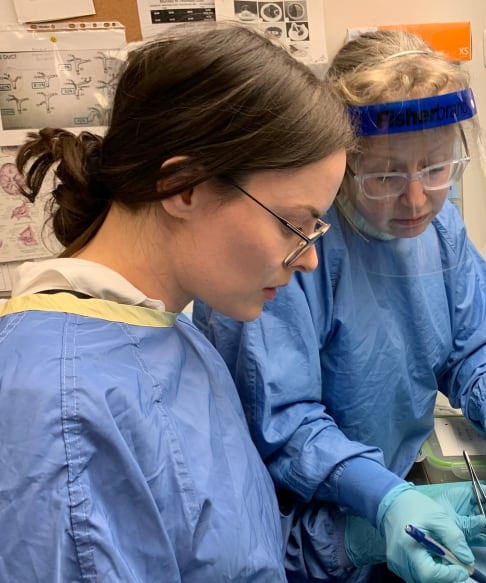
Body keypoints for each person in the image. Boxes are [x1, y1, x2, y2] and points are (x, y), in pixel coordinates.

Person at [195, 30, 486, 583]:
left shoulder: (439, 228)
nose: (416, 199)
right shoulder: (294, 247)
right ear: (342, 165)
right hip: (295, 531)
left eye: (436, 169)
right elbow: (283, 419)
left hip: (392, 501)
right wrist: (383, 499)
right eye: (386, 176)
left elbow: (477, 344)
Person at [0, 22, 354, 581]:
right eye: (295, 224)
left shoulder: (171, 334)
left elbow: (225, 552)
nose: (308, 259)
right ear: (183, 186)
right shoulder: (57, 410)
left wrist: (353, 541)